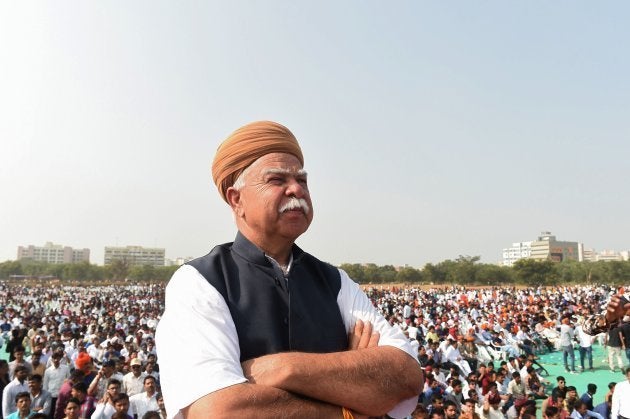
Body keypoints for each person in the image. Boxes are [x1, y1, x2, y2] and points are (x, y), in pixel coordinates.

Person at [155, 120, 422, 418]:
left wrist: (282, 369)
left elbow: (406, 374)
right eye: (277, 180)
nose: (296, 189)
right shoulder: (201, 282)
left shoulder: (335, 282)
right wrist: (352, 403)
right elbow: (220, 411)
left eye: (302, 180)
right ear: (236, 199)